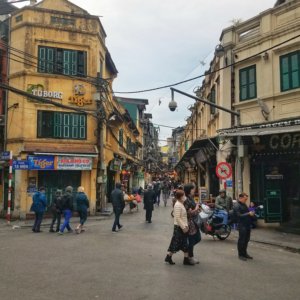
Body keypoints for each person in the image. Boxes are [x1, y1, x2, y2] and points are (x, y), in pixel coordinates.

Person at [165, 189, 193, 266]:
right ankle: (169, 257)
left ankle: (185, 259)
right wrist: (184, 227)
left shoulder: (181, 203)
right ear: (180, 197)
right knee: (175, 243)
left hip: (182, 226)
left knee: (184, 243)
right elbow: (177, 217)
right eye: (183, 195)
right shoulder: (177, 205)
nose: (184, 197)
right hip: (179, 227)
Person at [233, 192, 256, 261]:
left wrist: (251, 213)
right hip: (242, 225)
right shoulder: (237, 205)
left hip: (247, 224)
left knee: (246, 239)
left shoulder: (244, 204)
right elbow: (239, 216)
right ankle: (240, 254)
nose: (246, 200)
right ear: (241, 198)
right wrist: (248, 213)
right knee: (241, 240)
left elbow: (246, 213)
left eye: (246, 199)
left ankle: (245, 253)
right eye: (245, 199)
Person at [184, 183, 201, 265]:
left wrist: (197, 208)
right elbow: (187, 213)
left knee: (197, 238)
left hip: (194, 222)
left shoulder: (191, 198)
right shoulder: (186, 199)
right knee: (192, 239)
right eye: (193, 189)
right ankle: (190, 257)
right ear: (189, 190)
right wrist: (196, 209)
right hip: (190, 223)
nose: (194, 190)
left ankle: (187, 251)